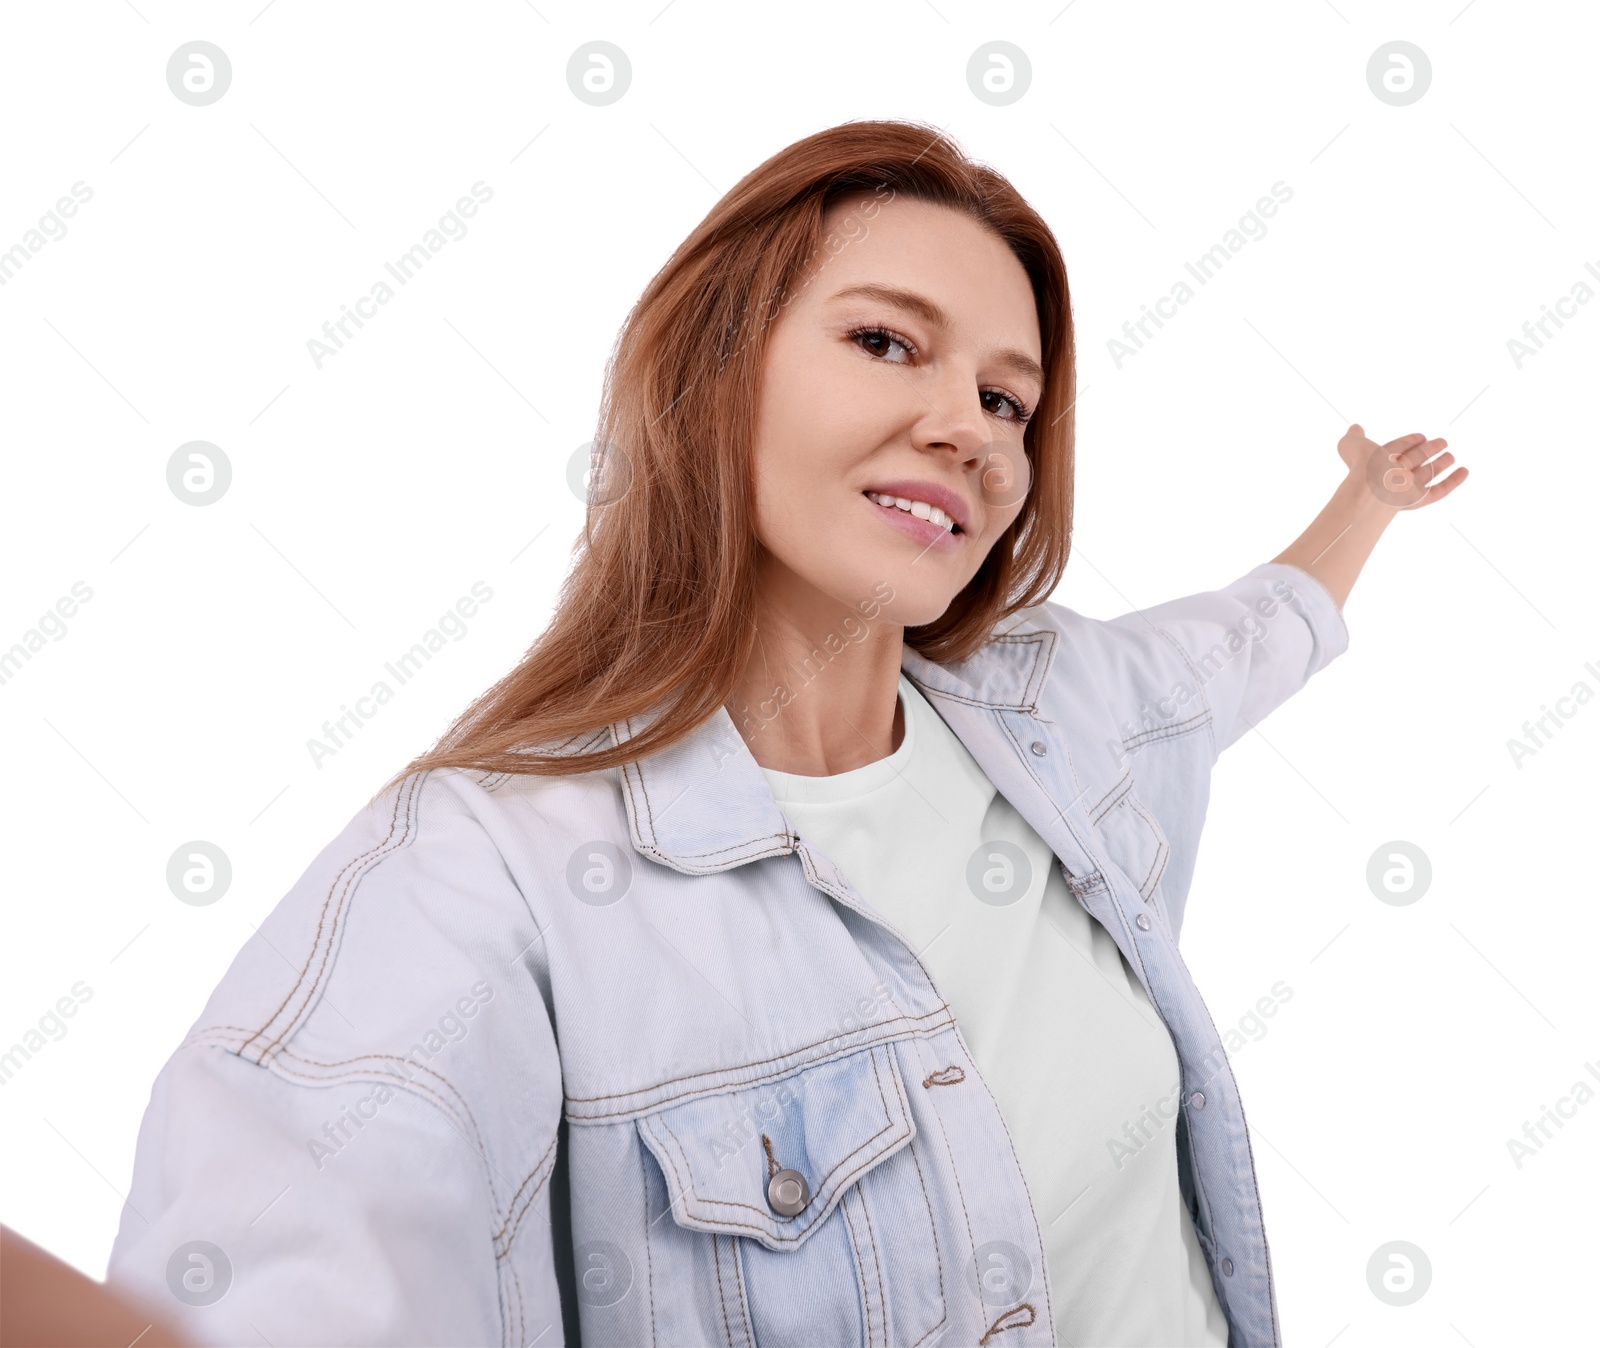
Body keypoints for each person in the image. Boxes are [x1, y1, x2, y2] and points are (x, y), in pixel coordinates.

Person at [104, 118, 1465, 1347]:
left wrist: (1369, 504)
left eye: (1009, 399)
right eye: (887, 342)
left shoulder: (1055, 709)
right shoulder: (482, 875)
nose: (972, 432)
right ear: (716, 375)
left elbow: (1248, 639)